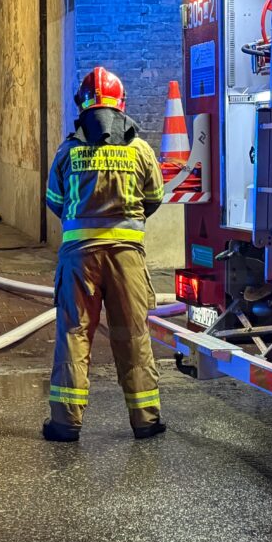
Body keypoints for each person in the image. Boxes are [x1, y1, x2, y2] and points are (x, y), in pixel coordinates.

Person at [42, 66, 165, 443]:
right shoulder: (140, 150)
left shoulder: (67, 151)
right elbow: (154, 198)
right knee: (133, 336)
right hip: (127, 258)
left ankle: (65, 423)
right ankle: (145, 419)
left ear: (82, 106)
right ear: (121, 106)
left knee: (75, 334)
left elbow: (55, 201)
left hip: (79, 258)